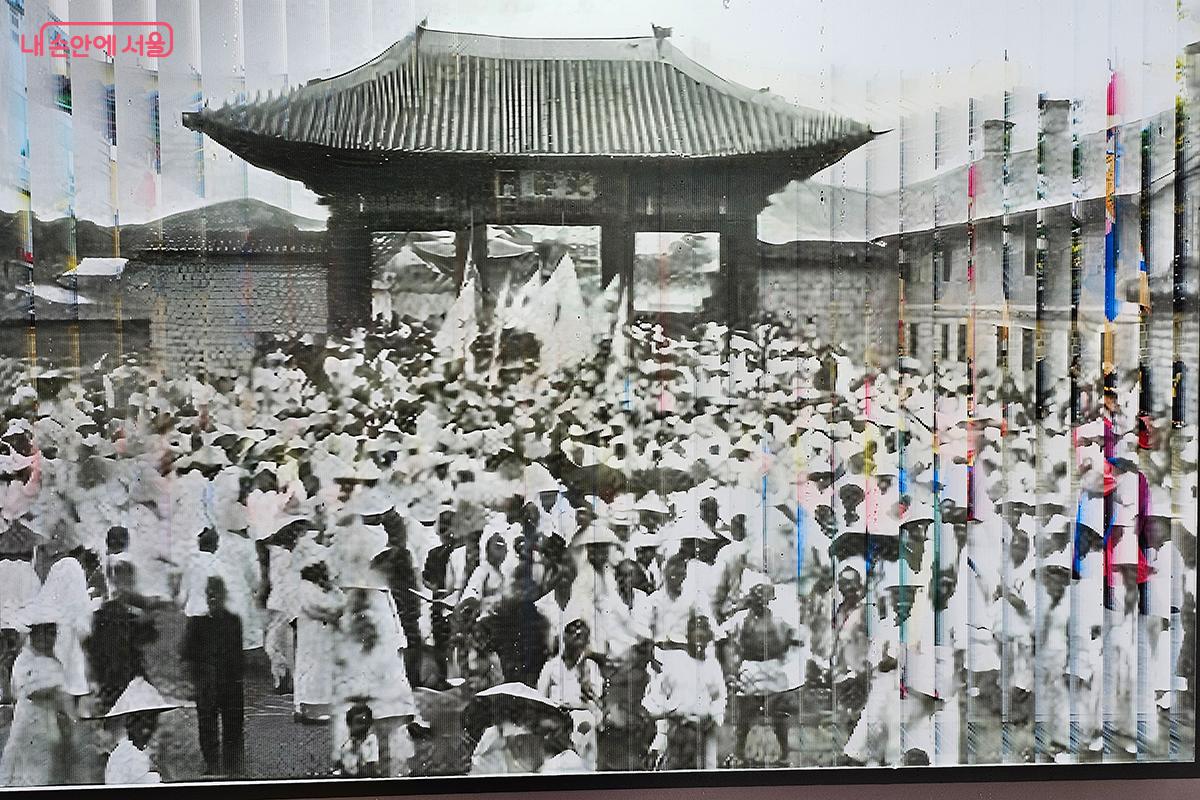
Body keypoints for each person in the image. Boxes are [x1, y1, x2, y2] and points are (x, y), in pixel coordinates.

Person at [641, 614, 726, 770]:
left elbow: (719, 698)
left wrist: (712, 717)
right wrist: (666, 719)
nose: (699, 639)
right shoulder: (675, 663)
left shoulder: (713, 666)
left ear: (709, 638)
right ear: (688, 636)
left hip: (704, 731)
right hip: (677, 730)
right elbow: (657, 694)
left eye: (703, 635)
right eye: (695, 634)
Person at [0, 607, 74, 786]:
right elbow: (26, 691)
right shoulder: (24, 660)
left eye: (52, 634)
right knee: (22, 762)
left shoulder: (55, 662)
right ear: (34, 635)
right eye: (43, 633)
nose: (48, 639)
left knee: (44, 763)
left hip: (47, 720)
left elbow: (64, 690)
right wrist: (54, 690)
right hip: (28, 719)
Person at [180, 576, 245, 776]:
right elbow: (186, 654)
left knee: (233, 725)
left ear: (224, 596)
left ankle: (233, 765)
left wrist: (238, 679)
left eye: (217, 594)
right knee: (207, 726)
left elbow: (238, 654)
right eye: (210, 595)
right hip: (206, 684)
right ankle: (212, 764)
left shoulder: (234, 621)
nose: (213, 599)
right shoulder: (197, 623)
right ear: (206, 598)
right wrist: (194, 681)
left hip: (231, 683)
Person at [85, 559, 157, 713]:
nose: (123, 580)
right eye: (119, 576)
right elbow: (94, 644)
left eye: (126, 576)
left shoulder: (139, 605)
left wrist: (143, 620)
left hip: (129, 663)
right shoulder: (104, 608)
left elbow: (149, 636)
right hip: (109, 663)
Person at [102, 677, 176, 785]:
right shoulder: (126, 756)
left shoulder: (147, 752)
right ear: (129, 722)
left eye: (152, 717)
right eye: (141, 719)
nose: (149, 724)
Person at [334, 702, 381, 778]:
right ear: (350, 724)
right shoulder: (345, 744)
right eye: (359, 722)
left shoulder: (371, 740)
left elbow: (372, 769)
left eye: (366, 722)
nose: (364, 726)